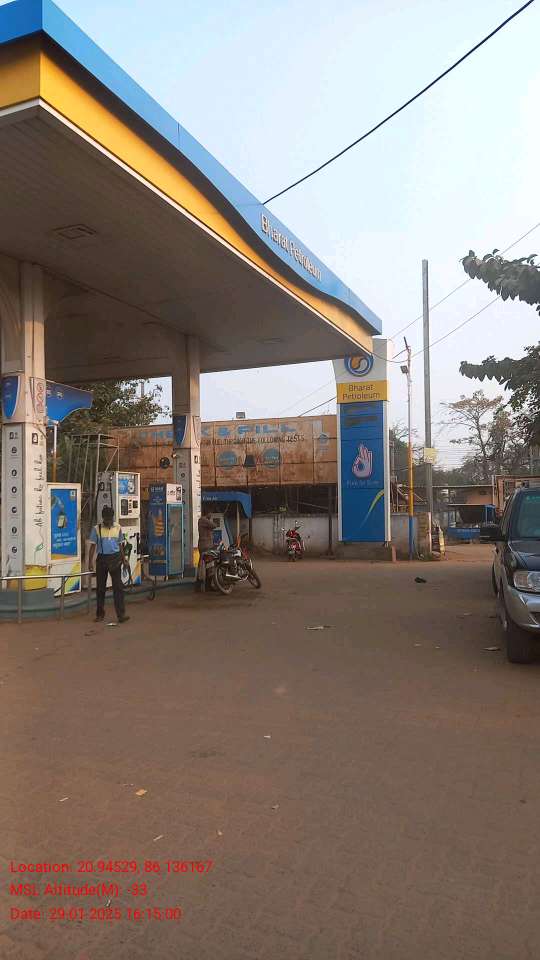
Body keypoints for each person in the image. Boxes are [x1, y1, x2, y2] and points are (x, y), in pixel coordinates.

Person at [88, 505, 130, 623]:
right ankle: (100, 614)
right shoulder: (97, 529)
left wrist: (124, 559)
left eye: (110, 519)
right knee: (100, 589)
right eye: (106, 519)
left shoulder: (118, 527)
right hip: (102, 559)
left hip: (116, 559)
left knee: (118, 588)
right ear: (103, 518)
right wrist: (90, 562)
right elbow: (92, 547)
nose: (108, 521)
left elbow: (120, 545)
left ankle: (121, 615)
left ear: (112, 518)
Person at [195, 508, 216, 591]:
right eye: (210, 513)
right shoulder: (203, 520)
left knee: (206, 566)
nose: (211, 515)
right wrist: (210, 520)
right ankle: (204, 585)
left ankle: (204, 585)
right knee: (207, 566)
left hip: (205, 546)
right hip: (205, 546)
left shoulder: (203, 520)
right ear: (207, 513)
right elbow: (214, 525)